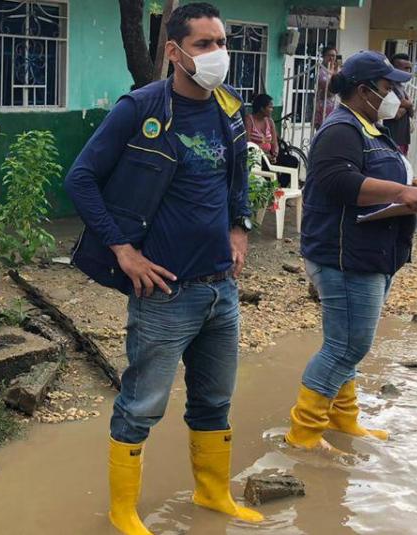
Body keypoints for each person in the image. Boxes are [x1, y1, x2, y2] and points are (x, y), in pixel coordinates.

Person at [63, 3, 262, 534]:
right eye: (204, 44)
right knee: (141, 406)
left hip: (221, 288)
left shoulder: (229, 108)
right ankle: (124, 511)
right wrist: (122, 250)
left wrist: (240, 227)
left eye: (221, 42)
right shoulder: (140, 108)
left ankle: (212, 493)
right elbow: (80, 178)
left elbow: (237, 178)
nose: (218, 53)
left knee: (215, 400)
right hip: (165, 293)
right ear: (174, 52)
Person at [284, 51, 417, 453]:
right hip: (346, 257)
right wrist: (401, 192)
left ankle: (342, 418)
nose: (395, 94)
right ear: (364, 91)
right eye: (388, 87)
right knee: (347, 346)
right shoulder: (341, 130)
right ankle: (304, 433)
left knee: (347, 341)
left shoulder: (370, 128)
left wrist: (411, 187)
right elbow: (339, 182)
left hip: (372, 253)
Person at [382, 53, 414, 155]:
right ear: (395, 68)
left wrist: (406, 104)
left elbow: (412, 113)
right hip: (392, 138)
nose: (408, 71)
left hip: (403, 138)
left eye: (409, 68)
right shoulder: (389, 87)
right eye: (406, 68)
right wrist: (408, 104)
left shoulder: (401, 87)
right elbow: (395, 114)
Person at [312, 46, 340, 129]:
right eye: (329, 55)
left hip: (335, 110)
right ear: (324, 57)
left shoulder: (337, 71)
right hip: (323, 111)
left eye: (333, 56)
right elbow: (330, 92)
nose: (331, 58)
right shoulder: (322, 73)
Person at [245, 93, 278, 161]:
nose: (272, 110)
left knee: (292, 161)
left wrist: (275, 153)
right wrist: (264, 156)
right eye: (270, 107)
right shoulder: (249, 120)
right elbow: (248, 143)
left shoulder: (270, 121)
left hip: (268, 156)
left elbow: (274, 142)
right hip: (253, 157)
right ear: (262, 108)